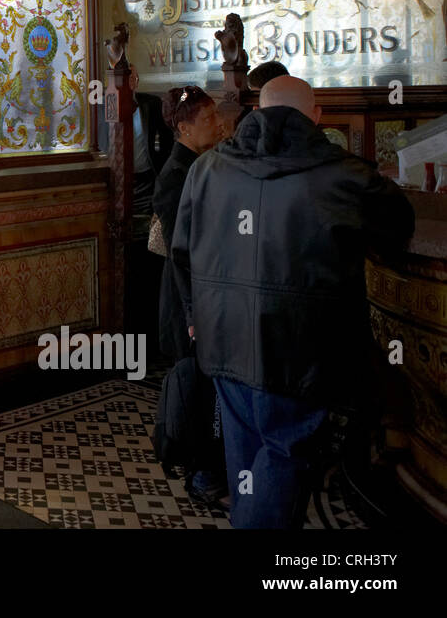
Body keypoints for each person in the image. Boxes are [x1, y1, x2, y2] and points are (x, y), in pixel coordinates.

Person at [170, 76, 414, 528]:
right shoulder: (345, 175)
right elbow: (399, 226)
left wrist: (194, 315)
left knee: (245, 459)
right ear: (316, 116)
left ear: (256, 112)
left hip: (224, 338)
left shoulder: (207, 169)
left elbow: (181, 252)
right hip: (301, 348)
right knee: (285, 455)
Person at [151, 85, 226, 508]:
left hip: (204, 297)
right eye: (208, 119)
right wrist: (193, 312)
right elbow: (182, 254)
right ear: (184, 128)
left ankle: (213, 469)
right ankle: (200, 475)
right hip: (186, 300)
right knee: (195, 389)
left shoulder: (203, 165)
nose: (218, 125)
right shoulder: (175, 176)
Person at [125, 67, 173, 347]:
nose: (127, 82)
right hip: (120, 184)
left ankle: (150, 330)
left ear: (136, 80)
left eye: (131, 77)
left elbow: (165, 143)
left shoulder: (150, 104)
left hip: (147, 180)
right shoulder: (102, 107)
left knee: (150, 249)